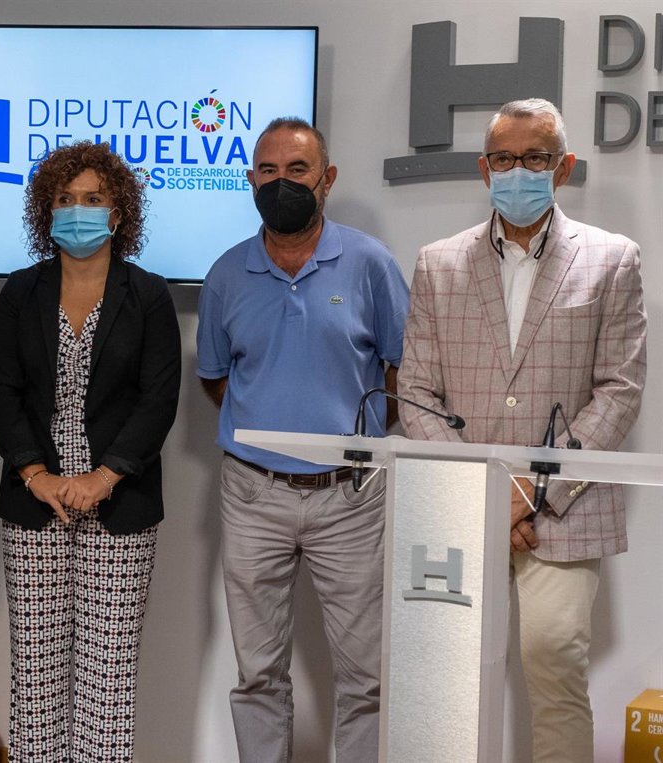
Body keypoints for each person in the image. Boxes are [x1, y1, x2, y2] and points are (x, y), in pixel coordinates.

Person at [399, 98, 646, 763]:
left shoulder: (612, 259)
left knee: (553, 663)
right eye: (504, 159)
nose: (518, 172)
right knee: (443, 681)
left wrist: (531, 490)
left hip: (566, 511)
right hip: (458, 511)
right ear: (484, 169)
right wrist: (484, 492)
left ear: (562, 167)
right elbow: (415, 393)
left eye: (535, 158)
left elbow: (619, 390)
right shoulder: (437, 263)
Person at [196, 117, 409, 763]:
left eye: (297, 169)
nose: (280, 182)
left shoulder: (370, 263)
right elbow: (216, 377)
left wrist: (352, 434)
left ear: (328, 178)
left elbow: (404, 369)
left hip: (350, 497)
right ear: (250, 179)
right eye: (268, 170)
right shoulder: (226, 273)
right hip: (252, 493)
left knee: (367, 676)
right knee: (257, 671)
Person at [0, 141, 181, 763]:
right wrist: (35, 473)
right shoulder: (21, 292)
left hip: (119, 503)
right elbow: (2, 390)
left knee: (107, 676)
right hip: (34, 502)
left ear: (118, 212)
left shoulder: (148, 295)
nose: (78, 211)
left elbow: (158, 400)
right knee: (36, 672)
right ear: (46, 212)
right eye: (65, 199)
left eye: (93, 199)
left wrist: (104, 476)